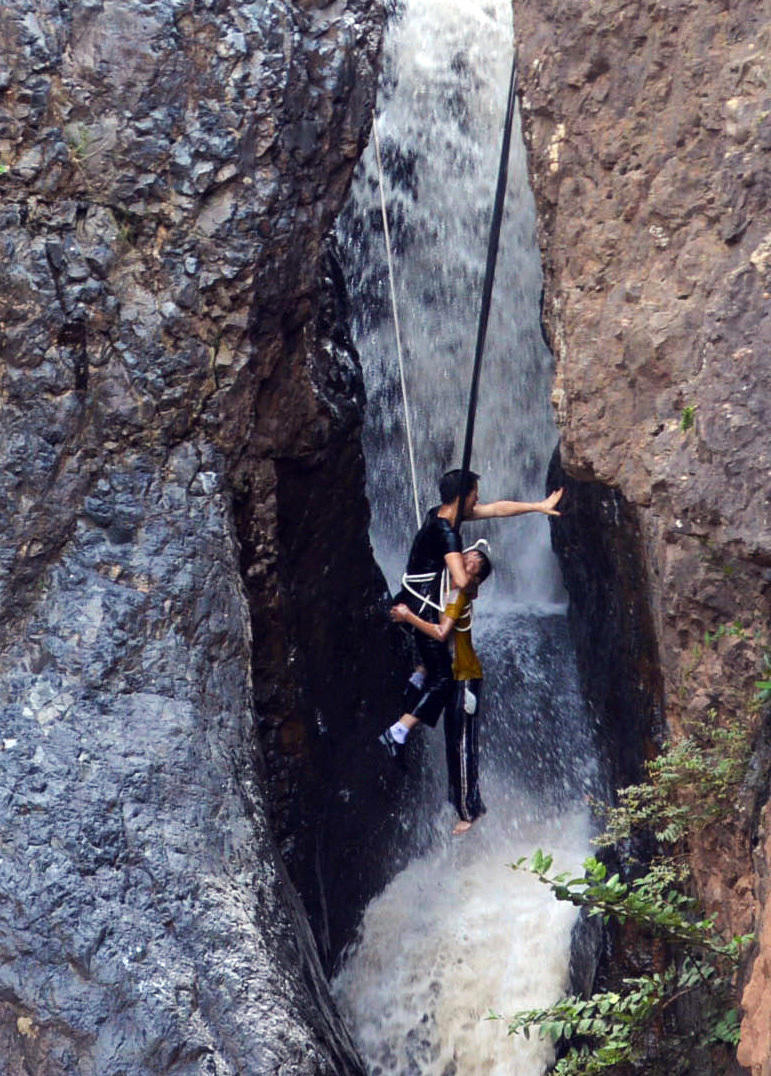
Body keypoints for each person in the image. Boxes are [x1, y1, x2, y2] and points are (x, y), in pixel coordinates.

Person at [378, 468, 562, 761]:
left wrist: (537, 506)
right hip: (421, 607)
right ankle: (397, 731)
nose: (478, 499)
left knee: (433, 664)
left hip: (414, 600)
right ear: (461, 497)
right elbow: (462, 581)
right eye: (474, 494)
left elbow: (497, 509)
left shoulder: (438, 515)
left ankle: (415, 682)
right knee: (444, 679)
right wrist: (472, 573)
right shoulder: (447, 534)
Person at [391, 544, 492, 834]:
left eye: (473, 566)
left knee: (462, 743)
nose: (467, 562)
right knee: (454, 741)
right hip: (453, 675)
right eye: (467, 558)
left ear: (473, 579)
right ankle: (462, 800)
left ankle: (470, 810)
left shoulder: (459, 594)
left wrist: (407, 617)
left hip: (465, 678)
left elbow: (441, 632)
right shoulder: (447, 590)